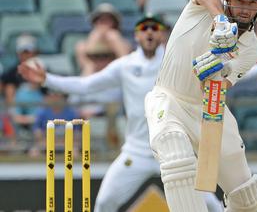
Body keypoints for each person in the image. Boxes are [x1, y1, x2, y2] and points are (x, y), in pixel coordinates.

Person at [18, 14, 225, 212]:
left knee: (212, 206)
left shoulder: (178, 60)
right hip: (137, 152)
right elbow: (86, 85)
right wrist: (47, 80)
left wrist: (254, 70)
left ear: (162, 33)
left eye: (155, 28)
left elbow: (220, 73)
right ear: (136, 35)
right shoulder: (126, 65)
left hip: (174, 150)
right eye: (144, 28)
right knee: (104, 203)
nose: (150, 32)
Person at [143, 0, 257, 211]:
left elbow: (220, 86)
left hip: (209, 110)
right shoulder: (205, 6)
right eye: (239, 0)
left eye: (252, 3)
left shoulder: (252, 48)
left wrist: (217, 70)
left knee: (248, 199)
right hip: (170, 99)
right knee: (176, 157)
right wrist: (219, 20)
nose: (245, 8)